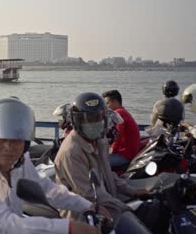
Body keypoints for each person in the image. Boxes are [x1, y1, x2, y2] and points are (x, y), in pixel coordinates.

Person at [0, 97, 102, 234]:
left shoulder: (19, 162)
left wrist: (87, 206)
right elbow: (7, 225)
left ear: (26, 143)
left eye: (16, 141)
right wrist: (68, 227)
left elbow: (47, 189)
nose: (8, 147)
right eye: (1, 140)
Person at [54, 92, 150, 234]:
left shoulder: (99, 141)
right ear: (77, 122)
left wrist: (133, 191)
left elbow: (107, 174)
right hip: (81, 215)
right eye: (88, 119)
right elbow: (89, 195)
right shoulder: (72, 152)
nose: (94, 123)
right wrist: (124, 208)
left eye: (98, 117)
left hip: (104, 207)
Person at [102, 90, 140, 168]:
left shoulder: (118, 113)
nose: (106, 107)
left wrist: (112, 149)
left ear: (115, 102)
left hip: (125, 155)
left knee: (96, 164)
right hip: (127, 152)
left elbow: (117, 134)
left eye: (107, 103)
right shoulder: (123, 111)